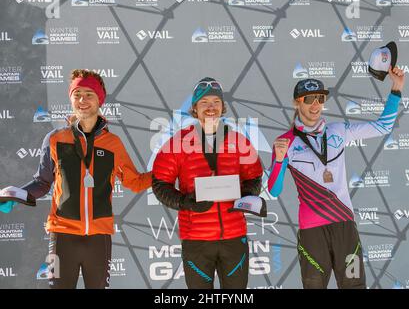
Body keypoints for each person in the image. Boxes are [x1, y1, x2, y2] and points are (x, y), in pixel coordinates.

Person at [0, 69, 152, 289]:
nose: (82, 100)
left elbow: (134, 182)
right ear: (70, 98)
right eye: (77, 93)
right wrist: (16, 195)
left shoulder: (113, 143)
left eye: (89, 94)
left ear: (100, 99)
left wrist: (165, 172)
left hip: (98, 238)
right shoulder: (55, 139)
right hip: (62, 236)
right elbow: (42, 183)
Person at [268, 67, 405, 289]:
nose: (315, 105)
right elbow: (273, 190)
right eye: (309, 99)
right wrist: (279, 160)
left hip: (344, 226)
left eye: (320, 99)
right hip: (312, 231)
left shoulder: (338, 130)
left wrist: (396, 89)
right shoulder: (285, 142)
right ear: (296, 103)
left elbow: (383, 126)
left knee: (355, 286)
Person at [152, 77, 263, 289]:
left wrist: (246, 195)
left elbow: (254, 176)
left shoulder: (239, 140)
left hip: (234, 237)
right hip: (196, 240)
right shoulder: (177, 142)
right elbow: (160, 184)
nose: (210, 108)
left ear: (222, 107)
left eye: (216, 102)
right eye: (204, 103)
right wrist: (186, 202)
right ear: (194, 108)